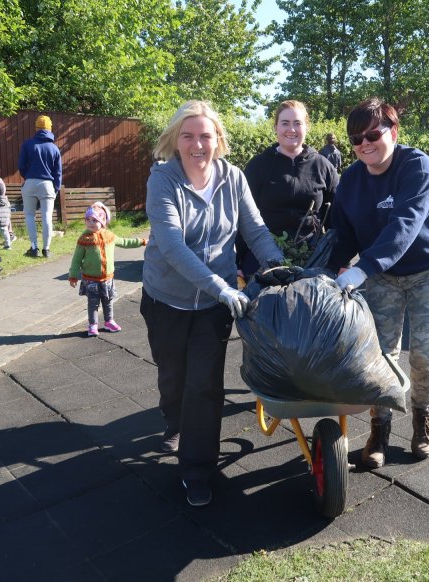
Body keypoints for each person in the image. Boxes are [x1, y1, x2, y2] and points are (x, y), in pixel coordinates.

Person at [141, 100, 284, 507]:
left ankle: (196, 469)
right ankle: (173, 419)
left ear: (218, 139)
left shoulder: (233, 178)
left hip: (213, 307)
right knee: (173, 376)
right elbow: (170, 245)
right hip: (166, 298)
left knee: (204, 386)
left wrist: (277, 264)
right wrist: (222, 287)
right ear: (175, 140)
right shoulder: (163, 181)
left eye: (205, 135)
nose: (197, 144)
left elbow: (254, 228)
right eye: (188, 135)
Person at [328, 97, 429, 468]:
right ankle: (379, 428)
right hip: (382, 276)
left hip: (428, 270)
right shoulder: (350, 180)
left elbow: (406, 224)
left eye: (372, 133)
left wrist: (361, 269)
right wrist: (331, 267)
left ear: (393, 131)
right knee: (382, 356)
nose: (364, 144)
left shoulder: (416, 165)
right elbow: (342, 232)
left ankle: (422, 419)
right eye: (355, 139)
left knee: (422, 358)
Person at [239, 100, 338, 276]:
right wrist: (237, 260)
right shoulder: (258, 166)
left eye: (297, 123)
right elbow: (242, 217)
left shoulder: (323, 166)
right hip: (263, 258)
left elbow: (337, 219)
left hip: (311, 258)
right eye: (285, 123)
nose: (291, 129)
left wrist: (340, 260)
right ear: (276, 127)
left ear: (306, 127)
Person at [69, 202, 147, 336]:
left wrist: (141, 241)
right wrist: (73, 275)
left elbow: (124, 242)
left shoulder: (109, 236)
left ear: (103, 221)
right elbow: (76, 259)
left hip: (107, 279)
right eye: (88, 220)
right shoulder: (84, 239)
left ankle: (109, 321)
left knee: (108, 301)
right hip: (91, 280)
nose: (90, 223)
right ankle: (93, 325)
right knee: (93, 304)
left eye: (95, 220)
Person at [18, 115, 62, 258]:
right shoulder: (54, 148)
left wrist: (28, 177)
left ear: (36, 128)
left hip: (30, 182)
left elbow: (21, 167)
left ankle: (34, 247)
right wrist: (56, 189)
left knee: (29, 215)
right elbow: (58, 173)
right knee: (47, 216)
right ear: (50, 128)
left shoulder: (27, 144)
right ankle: (47, 249)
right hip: (47, 185)